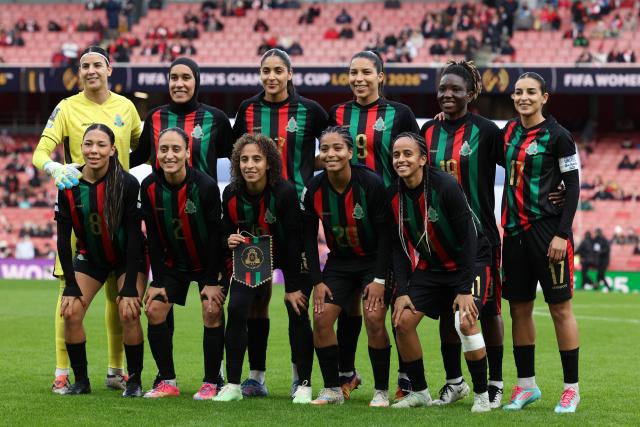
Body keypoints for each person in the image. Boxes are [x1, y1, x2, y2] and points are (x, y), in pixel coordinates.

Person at [32, 45, 142, 394]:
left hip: (119, 209)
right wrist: (54, 167)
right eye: (84, 66)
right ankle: (63, 371)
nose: (91, 70)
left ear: (110, 69)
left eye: (97, 64)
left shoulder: (127, 108)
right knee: (68, 296)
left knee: (118, 299)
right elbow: (39, 153)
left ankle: (116, 370)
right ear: (79, 73)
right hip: (80, 209)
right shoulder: (66, 108)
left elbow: (142, 145)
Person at [232, 48, 328, 397]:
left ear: (290, 73)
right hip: (256, 222)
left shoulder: (311, 110)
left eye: (278, 70)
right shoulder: (248, 109)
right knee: (255, 301)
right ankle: (255, 376)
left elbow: (333, 148)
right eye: (265, 70)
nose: (271, 76)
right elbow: (238, 152)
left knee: (296, 299)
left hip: (297, 218)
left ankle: (299, 380)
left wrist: (306, 170)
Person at [328, 50, 419, 401]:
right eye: (353, 72)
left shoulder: (400, 113)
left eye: (367, 72)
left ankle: (405, 377)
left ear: (382, 76)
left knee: (390, 298)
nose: (359, 79)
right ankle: (347, 372)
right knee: (350, 299)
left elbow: (416, 153)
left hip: (390, 219)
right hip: (347, 217)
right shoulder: (337, 113)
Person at [421, 60, 505, 409]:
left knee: (485, 311)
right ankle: (454, 382)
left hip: (481, 237)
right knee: (446, 312)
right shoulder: (427, 131)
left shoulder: (486, 131)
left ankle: (496, 383)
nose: (448, 95)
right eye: (443, 89)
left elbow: (518, 166)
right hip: (440, 242)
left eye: (456, 89)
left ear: (471, 93)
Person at [389, 132, 491, 412]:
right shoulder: (392, 195)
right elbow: (398, 248)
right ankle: (420, 392)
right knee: (402, 321)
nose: (401, 159)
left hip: (470, 261)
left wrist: (463, 288)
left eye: (408, 154)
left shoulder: (445, 185)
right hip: (432, 267)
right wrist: (402, 291)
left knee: (466, 321)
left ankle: (481, 395)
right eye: (396, 154)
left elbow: (469, 238)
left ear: (423, 159)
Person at [500, 72, 581, 413]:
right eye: (519, 92)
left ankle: (571, 389)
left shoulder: (559, 136)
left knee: (560, 309)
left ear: (544, 97)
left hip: (549, 235)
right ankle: (526, 386)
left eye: (531, 92)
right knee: (519, 309)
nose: (524, 97)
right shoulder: (507, 133)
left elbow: (573, 187)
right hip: (514, 234)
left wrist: (562, 233)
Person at [215, 133, 313, 404]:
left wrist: (292, 287)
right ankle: (239, 383)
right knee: (237, 308)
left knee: (297, 307)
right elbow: (223, 233)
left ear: (268, 163)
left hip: (290, 254)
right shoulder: (231, 192)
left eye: (256, 159)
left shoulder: (284, 192)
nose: (250, 165)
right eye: (244, 159)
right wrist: (228, 239)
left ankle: (301, 383)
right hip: (254, 256)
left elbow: (294, 241)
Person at [302, 127, 392, 407]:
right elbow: (306, 238)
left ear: (350, 152)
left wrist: (379, 279)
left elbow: (387, 235)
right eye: (325, 149)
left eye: (337, 148)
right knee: (321, 319)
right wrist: (317, 281)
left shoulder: (371, 184)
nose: (331, 154)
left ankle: (381, 391)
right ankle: (332, 389)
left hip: (372, 262)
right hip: (339, 263)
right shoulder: (313, 188)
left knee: (374, 317)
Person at [56, 124, 146, 396]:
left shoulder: (127, 183)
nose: (93, 150)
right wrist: (70, 284)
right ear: (81, 147)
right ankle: (81, 382)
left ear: (112, 149)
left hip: (126, 259)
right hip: (91, 258)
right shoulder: (68, 182)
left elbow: (133, 237)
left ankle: (134, 382)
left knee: (127, 311)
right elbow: (62, 238)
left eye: (100, 145)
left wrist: (130, 285)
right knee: (70, 311)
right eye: (88, 144)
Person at [140, 128, 224, 399]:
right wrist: (158, 281)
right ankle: (168, 381)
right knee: (154, 309)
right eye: (164, 149)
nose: (169, 155)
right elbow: (152, 236)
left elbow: (216, 237)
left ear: (188, 152)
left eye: (176, 149)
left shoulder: (206, 186)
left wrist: (212, 281)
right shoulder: (149, 186)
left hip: (208, 262)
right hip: (174, 262)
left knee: (211, 311)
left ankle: (212, 381)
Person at [130, 57, 232, 179]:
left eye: (186, 77)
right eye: (174, 78)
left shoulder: (216, 119)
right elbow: (141, 155)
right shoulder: (154, 117)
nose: (178, 84)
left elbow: (237, 158)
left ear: (196, 81)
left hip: (203, 197)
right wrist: (106, 166)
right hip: (160, 197)